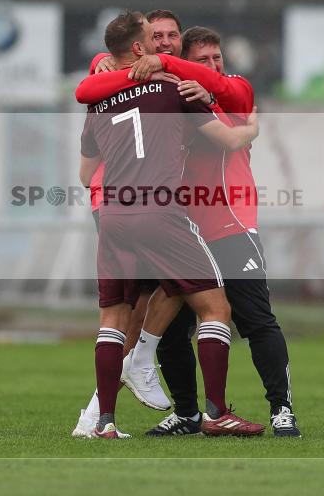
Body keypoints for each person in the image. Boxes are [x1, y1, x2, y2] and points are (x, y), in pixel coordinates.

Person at [74, 25, 302, 438]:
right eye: (156, 36)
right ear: (143, 48)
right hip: (170, 219)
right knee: (188, 318)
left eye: (216, 58)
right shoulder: (172, 91)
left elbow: (86, 160)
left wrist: (119, 67)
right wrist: (248, 128)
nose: (211, 66)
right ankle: (197, 413)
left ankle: (280, 409)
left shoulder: (224, 87)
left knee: (252, 319)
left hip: (212, 223)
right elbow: (229, 138)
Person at [70, 10, 187, 438]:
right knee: (163, 296)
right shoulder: (156, 85)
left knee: (122, 311)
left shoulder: (107, 83)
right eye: (156, 35)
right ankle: (134, 368)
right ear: (139, 46)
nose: (164, 43)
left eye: (171, 35)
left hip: (113, 206)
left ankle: (97, 418)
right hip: (136, 203)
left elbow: (85, 170)